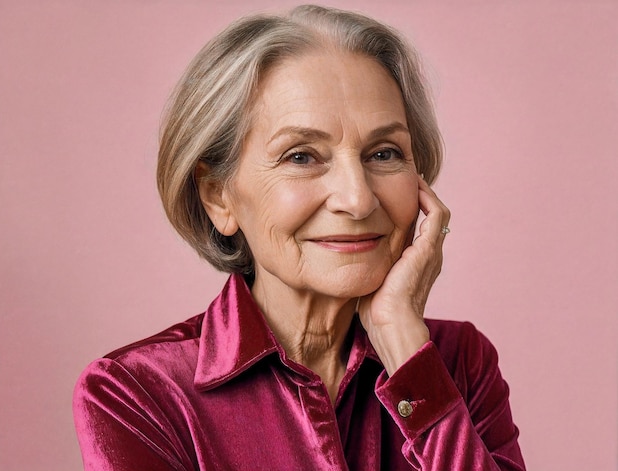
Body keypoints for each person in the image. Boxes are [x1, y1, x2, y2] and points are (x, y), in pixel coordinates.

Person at [73, 5, 526, 470]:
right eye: (301, 157)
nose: (358, 198)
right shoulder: (136, 393)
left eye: (384, 152)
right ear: (218, 197)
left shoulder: (458, 362)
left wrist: (409, 357)